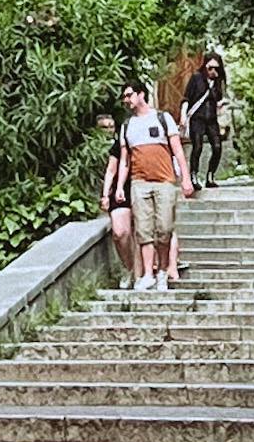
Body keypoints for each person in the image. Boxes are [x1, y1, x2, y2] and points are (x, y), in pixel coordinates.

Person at [117, 79, 194, 289]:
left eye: (129, 95)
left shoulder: (162, 118)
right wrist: (119, 187)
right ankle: (148, 274)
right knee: (143, 229)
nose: (127, 100)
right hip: (139, 182)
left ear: (141, 94)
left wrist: (186, 179)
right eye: (125, 96)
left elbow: (177, 150)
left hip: (164, 181)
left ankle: (162, 271)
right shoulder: (127, 125)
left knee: (164, 228)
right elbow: (125, 160)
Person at [184, 49, 229, 189]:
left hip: (211, 119)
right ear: (205, 67)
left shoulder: (218, 82)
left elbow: (218, 100)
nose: (212, 71)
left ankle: (210, 175)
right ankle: (194, 176)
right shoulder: (197, 78)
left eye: (216, 68)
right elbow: (186, 98)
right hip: (197, 118)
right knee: (197, 147)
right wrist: (182, 116)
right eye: (210, 68)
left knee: (217, 146)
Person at [96, 110, 135, 268]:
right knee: (120, 233)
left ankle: (145, 270)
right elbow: (111, 170)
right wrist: (105, 195)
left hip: (144, 184)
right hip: (121, 189)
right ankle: (128, 266)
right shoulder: (119, 144)